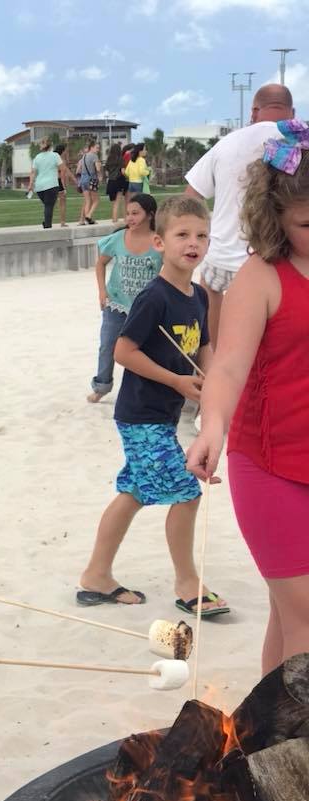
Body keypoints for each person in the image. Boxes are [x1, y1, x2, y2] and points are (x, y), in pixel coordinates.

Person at [187, 120, 309, 675]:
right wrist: (212, 426)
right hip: (270, 466)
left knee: (290, 621)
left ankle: (265, 740)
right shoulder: (261, 277)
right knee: (306, 618)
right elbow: (229, 366)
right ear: (276, 217)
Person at [77, 196, 229, 617]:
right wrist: (177, 380)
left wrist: (211, 382)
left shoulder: (197, 295)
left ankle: (96, 576)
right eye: (182, 235)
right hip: (142, 414)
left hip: (160, 415)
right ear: (160, 243)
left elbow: (204, 345)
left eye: (201, 235)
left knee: (133, 492)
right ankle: (186, 583)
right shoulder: (154, 297)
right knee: (185, 493)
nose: (192, 243)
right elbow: (124, 351)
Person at [184, 84, 294, 347]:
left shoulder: (227, 143)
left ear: (254, 111)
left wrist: (204, 234)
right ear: (292, 113)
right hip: (276, 259)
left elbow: (189, 198)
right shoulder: (298, 142)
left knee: (210, 291)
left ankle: (213, 357)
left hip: (222, 257)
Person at [87, 193, 162, 403]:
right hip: (116, 304)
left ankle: (145, 389)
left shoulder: (159, 242)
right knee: (107, 345)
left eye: (136, 213)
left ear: (150, 215)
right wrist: (102, 292)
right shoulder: (118, 239)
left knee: (146, 350)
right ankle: (102, 385)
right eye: (128, 213)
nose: (130, 218)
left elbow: (173, 268)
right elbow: (100, 263)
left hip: (147, 308)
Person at [28, 138, 63, 228]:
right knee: (49, 206)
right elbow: (62, 169)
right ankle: (47, 226)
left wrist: (30, 185)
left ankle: (46, 222)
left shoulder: (37, 157)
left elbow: (33, 172)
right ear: (50, 146)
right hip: (51, 185)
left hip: (39, 187)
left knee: (48, 205)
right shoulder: (55, 155)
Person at [79, 141, 102, 225]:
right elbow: (98, 169)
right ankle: (88, 215)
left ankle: (87, 219)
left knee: (87, 200)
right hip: (91, 179)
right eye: (97, 148)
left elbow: (80, 168)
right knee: (96, 200)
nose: (98, 150)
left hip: (83, 179)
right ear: (91, 147)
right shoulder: (94, 156)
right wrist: (100, 175)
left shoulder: (84, 156)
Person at [104, 142, 127, 223]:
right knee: (118, 202)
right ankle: (115, 220)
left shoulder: (108, 159)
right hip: (118, 181)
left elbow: (106, 172)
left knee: (114, 203)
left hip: (111, 182)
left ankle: (114, 220)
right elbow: (123, 171)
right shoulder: (120, 159)